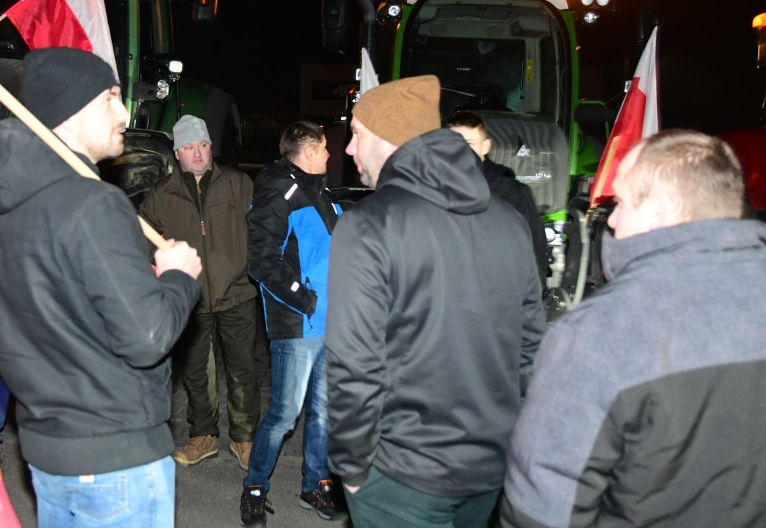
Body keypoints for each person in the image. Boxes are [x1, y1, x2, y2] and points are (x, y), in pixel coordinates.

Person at [0, 47, 202, 527]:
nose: (124, 114)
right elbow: (148, 338)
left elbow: (60, 320)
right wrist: (179, 276)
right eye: (110, 98)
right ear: (67, 110)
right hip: (117, 457)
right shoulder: (94, 205)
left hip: (48, 451)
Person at [500, 129, 766, 527]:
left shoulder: (599, 333)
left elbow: (543, 510)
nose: (614, 220)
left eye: (621, 202)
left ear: (660, 210)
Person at [325, 76, 546, 528]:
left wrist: (350, 467)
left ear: (387, 139)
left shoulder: (368, 226)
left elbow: (355, 364)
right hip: (490, 469)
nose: (348, 149)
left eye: (357, 134)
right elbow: (530, 349)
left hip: (403, 475)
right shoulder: (508, 220)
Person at [139, 114, 261, 470]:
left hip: (237, 292)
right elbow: (143, 241)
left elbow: (260, 233)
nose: (197, 153)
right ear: (177, 153)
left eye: (203, 145)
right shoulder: (162, 195)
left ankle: (244, 438)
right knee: (196, 371)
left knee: (243, 370)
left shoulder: (239, 184)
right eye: (189, 147)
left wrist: (253, 271)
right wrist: (164, 267)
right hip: (189, 299)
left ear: (211, 148)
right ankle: (203, 436)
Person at [240, 120, 344, 525]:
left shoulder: (321, 192)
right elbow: (263, 262)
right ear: (307, 153)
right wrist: (308, 300)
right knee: (284, 414)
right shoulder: (279, 191)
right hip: (299, 325)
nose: (330, 155)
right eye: (323, 148)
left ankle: (315, 484)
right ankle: (253, 488)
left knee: (323, 412)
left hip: (331, 322)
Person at [446, 110, 547, 285]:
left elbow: (533, 247)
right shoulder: (433, 188)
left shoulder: (510, 191)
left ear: (486, 146)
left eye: (469, 144)